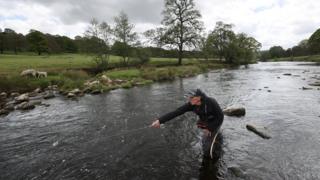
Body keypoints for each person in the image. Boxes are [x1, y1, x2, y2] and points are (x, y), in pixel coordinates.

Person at [151, 89, 224, 158]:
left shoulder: (211, 102)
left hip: (215, 120)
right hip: (205, 120)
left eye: (191, 98)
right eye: (188, 98)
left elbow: (220, 117)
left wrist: (209, 128)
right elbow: (177, 112)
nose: (189, 100)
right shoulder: (191, 104)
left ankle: (217, 140)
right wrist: (160, 121)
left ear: (198, 97)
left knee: (210, 145)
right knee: (206, 141)